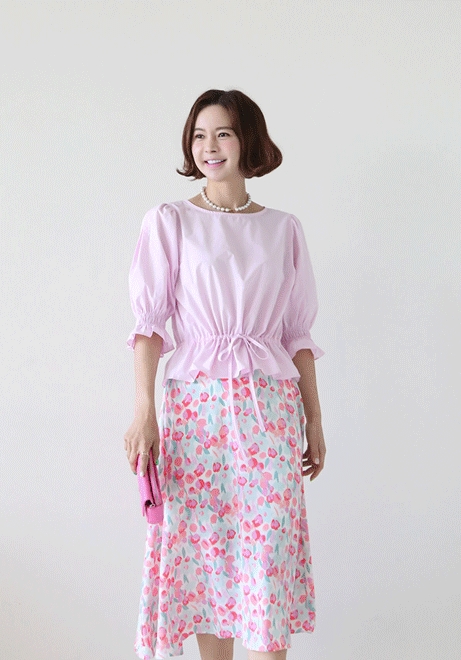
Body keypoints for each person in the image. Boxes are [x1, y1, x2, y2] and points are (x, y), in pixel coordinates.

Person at [124, 88, 326, 660]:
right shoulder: (171, 221)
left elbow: (297, 335)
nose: (209, 147)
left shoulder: (283, 228)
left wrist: (314, 419)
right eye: (199, 136)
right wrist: (144, 413)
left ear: (247, 141)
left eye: (223, 134)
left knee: (266, 557)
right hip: (197, 414)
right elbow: (149, 327)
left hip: (270, 412)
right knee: (208, 558)